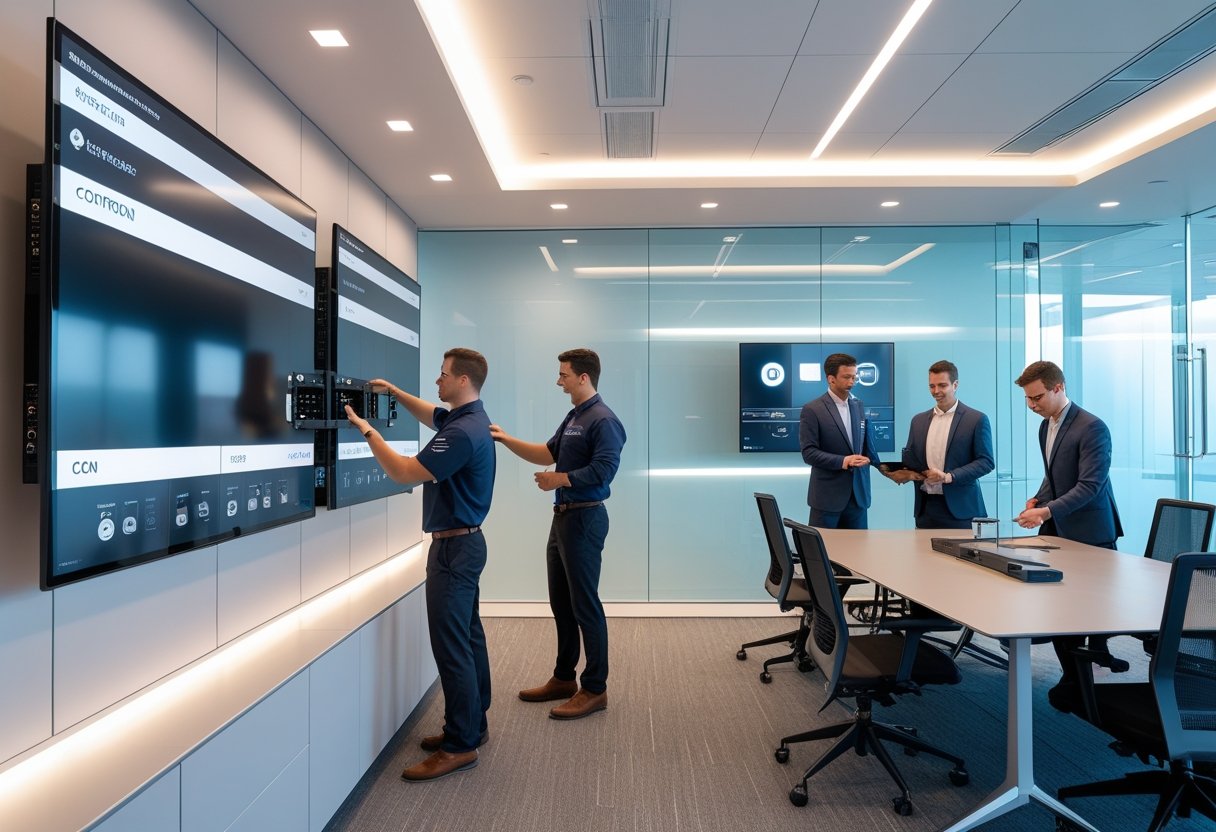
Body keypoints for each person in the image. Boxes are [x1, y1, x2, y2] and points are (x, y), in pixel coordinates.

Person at [345, 348, 495, 782]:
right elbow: (431, 412)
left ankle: (459, 745)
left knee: (453, 649)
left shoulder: (462, 433)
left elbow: (405, 472)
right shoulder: (471, 419)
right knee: (468, 638)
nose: (437, 381)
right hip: (467, 545)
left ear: (463, 381)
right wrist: (393, 391)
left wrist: (367, 431)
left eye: (443, 375)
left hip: (453, 552)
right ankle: (472, 725)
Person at [489, 348, 626, 720]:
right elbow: (547, 452)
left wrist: (559, 479)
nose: (558, 380)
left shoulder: (604, 420)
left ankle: (595, 688)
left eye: (563, 374)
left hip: (585, 519)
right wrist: (505, 439)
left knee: (585, 606)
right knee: (562, 605)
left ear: (583, 377)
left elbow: (603, 471)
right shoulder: (574, 416)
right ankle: (564, 678)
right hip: (563, 519)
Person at [1013, 359, 1123, 712]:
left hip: (1090, 531)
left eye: (1038, 397)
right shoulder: (1046, 426)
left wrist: (1046, 511)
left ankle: (1080, 678)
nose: (1033, 405)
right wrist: (1039, 497)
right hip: (1059, 527)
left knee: (1081, 610)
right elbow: (1054, 474)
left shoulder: (1092, 427)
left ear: (1058, 388)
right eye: (1028, 400)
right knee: (1059, 606)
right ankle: (1072, 676)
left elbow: (1090, 485)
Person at [886, 360, 994, 529]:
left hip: (962, 510)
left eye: (942, 385)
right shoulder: (918, 421)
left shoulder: (976, 419)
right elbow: (912, 460)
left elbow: (986, 462)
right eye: (932, 386)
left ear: (955, 385)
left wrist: (948, 477)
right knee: (922, 555)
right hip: (926, 509)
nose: (936, 391)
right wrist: (903, 473)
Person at [800, 352, 881, 528]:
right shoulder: (812, 409)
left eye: (854, 377)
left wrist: (884, 467)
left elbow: (865, 446)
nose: (852, 382)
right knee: (821, 553)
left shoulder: (858, 405)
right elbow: (809, 453)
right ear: (831, 379)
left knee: (858, 554)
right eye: (846, 377)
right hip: (827, 500)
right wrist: (844, 461)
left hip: (858, 498)